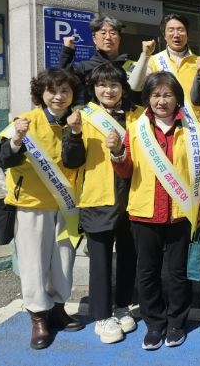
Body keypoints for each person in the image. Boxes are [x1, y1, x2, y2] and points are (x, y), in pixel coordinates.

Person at [109, 72, 200, 350]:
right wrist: (118, 153)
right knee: (147, 273)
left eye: (168, 94)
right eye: (156, 95)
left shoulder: (192, 128)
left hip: (181, 212)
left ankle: (177, 322)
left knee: (178, 272)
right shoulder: (136, 129)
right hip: (144, 213)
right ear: (147, 98)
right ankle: (155, 324)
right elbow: (126, 172)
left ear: (177, 97)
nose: (162, 100)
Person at [0, 68, 85, 350]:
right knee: (33, 263)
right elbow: (2, 159)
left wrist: (75, 132)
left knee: (63, 260)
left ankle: (57, 308)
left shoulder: (76, 122)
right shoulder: (25, 122)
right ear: (41, 94)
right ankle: (37, 316)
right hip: (31, 205)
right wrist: (17, 140)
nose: (59, 97)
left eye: (65, 91)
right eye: (52, 91)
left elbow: (75, 161)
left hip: (67, 205)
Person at [61, 63, 142, 344]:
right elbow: (71, 161)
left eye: (114, 84)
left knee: (129, 255)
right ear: (93, 89)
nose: (109, 90)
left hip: (133, 196)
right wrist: (73, 133)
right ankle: (102, 316)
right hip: (97, 197)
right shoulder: (82, 116)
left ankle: (122, 306)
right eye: (102, 85)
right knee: (100, 260)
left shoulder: (137, 115)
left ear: (123, 88)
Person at [128, 13, 200, 125]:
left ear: (187, 34)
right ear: (164, 35)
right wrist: (145, 55)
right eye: (171, 30)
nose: (176, 34)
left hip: (193, 126)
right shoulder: (153, 60)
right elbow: (134, 86)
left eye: (180, 30)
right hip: (162, 125)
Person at [59, 14, 133, 105]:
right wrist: (67, 51)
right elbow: (64, 80)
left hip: (129, 113)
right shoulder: (85, 67)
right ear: (94, 39)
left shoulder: (131, 64)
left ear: (119, 38)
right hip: (95, 113)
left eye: (113, 33)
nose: (108, 37)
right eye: (103, 33)